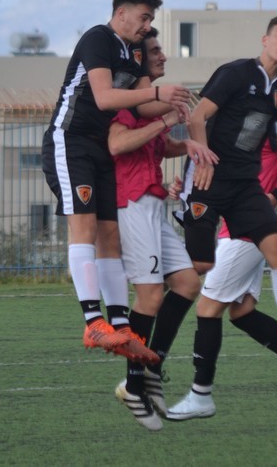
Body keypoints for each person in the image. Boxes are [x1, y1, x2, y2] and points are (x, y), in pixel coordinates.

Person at [167, 14, 277, 420]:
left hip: (244, 199)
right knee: (237, 309)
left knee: (218, 299)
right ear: (265, 39)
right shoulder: (236, 74)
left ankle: (205, 392)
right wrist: (198, 165)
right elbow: (197, 119)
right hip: (217, 190)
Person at [41, 0, 192, 364]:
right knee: (85, 227)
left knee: (110, 236)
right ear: (121, 13)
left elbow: (141, 108)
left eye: (151, 19)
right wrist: (158, 93)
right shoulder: (98, 39)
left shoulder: (135, 50)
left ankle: (121, 327)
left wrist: (174, 107)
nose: (147, 25)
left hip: (99, 149)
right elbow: (105, 97)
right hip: (70, 141)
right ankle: (93, 323)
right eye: (143, 17)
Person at [179, 137, 277, 416]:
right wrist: (186, 191)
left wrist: (276, 194)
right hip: (237, 229)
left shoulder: (263, 123)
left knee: (207, 308)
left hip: (245, 233)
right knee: (242, 312)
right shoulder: (228, 128)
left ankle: (200, 394)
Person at [108, 28, 212, 431]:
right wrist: (168, 119)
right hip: (131, 202)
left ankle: (151, 369)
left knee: (187, 283)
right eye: (154, 51)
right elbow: (118, 144)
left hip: (152, 203)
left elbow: (155, 145)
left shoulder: (149, 103)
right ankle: (134, 385)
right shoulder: (127, 99)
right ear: (137, 58)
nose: (163, 56)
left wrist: (185, 145)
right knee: (150, 295)